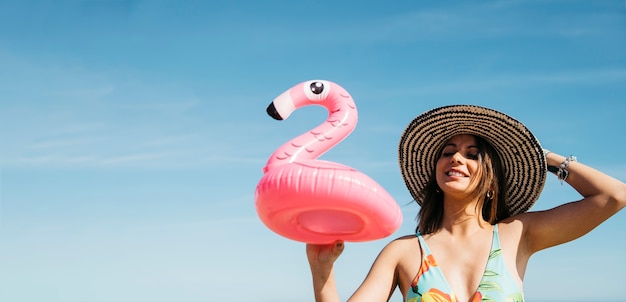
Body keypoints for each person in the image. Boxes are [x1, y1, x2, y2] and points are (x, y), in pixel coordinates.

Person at [306, 104, 626, 302]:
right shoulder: (403, 252)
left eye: (473, 155)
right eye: (447, 152)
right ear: (435, 173)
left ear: (491, 179)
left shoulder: (518, 234)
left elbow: (613, 197)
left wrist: (541, 157)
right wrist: (323, 272)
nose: (456, 158)